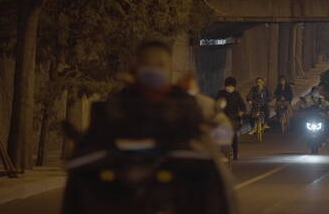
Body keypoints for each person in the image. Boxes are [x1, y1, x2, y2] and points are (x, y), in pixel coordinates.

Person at [63, 39, 239, 214]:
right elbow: (98, 137)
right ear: (137, 66)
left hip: (175, 170)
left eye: (159, 64)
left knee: (215, 172)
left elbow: (205, 133)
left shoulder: (184, 101)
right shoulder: (118, 101)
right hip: (122, 169)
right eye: (148, 63)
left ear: (168, 69)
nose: (154, 69)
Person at [216, 77, 246, 160]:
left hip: (234, 117)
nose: (229, 87)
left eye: (231, 86)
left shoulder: (236, 94)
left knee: (234, 137)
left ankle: (235, 153)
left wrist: (242, 112)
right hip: (222, 117)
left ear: (234, 86)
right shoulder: (220, 93)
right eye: (228, 86)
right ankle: (220, 153)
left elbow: (243, 106)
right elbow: (216, 104)